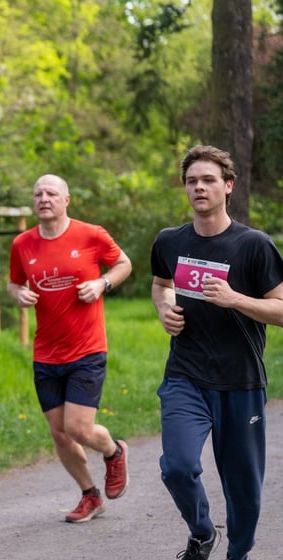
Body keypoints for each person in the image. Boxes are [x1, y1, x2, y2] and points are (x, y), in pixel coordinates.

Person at [150, 145, 283, 560]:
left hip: (240, 381)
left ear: (228, 186)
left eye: (208, 180)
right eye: (192, 181)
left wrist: (235, 299)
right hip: (185, 376)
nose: (199, 187)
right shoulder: (169, 241)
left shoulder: (254, 245)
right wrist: (164, 310)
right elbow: (160, 283)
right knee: (177, 466)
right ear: (184, 188)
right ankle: (203, 531)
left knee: (244, 488)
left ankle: (237, 554)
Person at [7, 173, 132, 523]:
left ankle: (113, 450)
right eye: (38, 194)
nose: (43, 198)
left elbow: (125, 264)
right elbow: (12, 285)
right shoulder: (22, 244)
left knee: (78, 428)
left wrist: (102, 282)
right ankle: (90, 495)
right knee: (59, 433)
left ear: (66, 200)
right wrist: (19, 295)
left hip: (87, 349)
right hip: (46, 352)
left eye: (51, 193)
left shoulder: (91, 234)